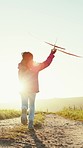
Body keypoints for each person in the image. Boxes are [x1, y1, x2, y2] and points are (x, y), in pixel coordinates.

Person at [18, 48, 57, 129]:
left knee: (24, 103)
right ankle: (30, 123)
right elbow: (46, 63)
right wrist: (51, 54)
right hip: (33, 88)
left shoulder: (21, 66)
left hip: (23, 87)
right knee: (32, 105)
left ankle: (24, 110)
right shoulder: (35, 66)